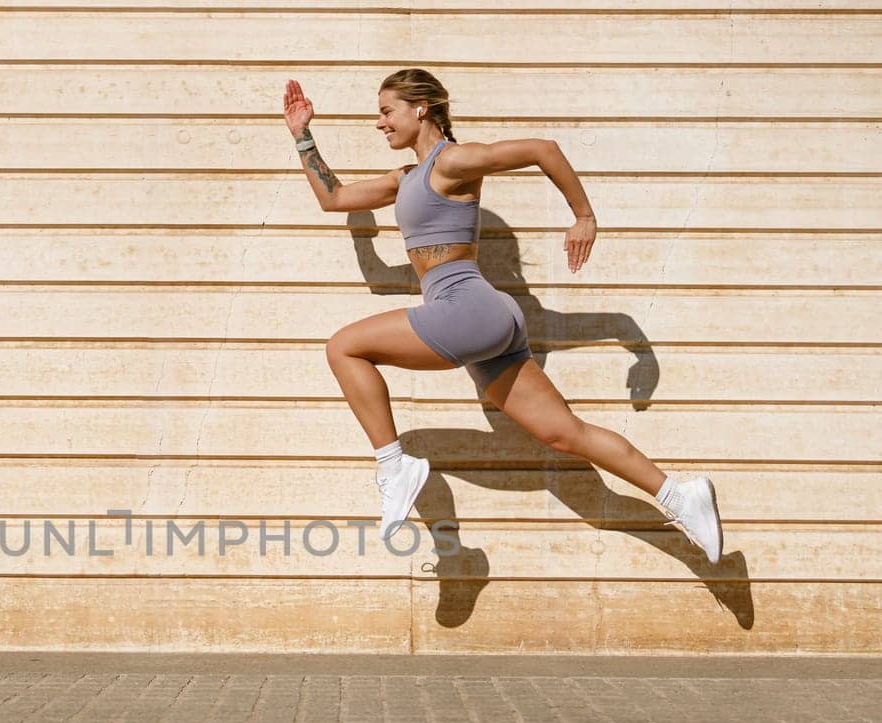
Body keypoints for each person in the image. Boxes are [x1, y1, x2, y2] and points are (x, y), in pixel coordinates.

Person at [283, 70, 723, 564]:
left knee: (343, 347)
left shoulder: (453, 160)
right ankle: (678, 495)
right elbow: (334, 198)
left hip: (466, 308)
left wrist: (584, 217)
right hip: (487, 317)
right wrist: (302, 134)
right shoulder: (405, 178)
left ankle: (393, 465)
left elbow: (543, 148)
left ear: (420, 109)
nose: (380, 123)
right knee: (564, 433)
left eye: (387, 111)